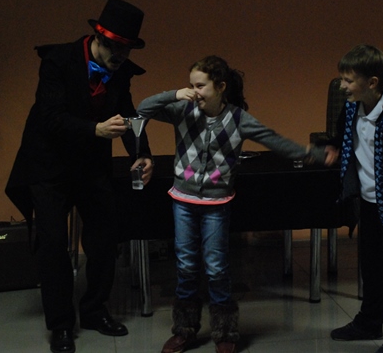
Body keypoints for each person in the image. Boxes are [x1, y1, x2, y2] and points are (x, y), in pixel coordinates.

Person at [136, 55, 327, 353]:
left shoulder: (238, 119)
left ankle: (225, 332)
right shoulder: (182, 109)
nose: (194, 91)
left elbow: (273, 140)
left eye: (200, 86)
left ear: (221, 87)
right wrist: (175, 94)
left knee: (216, 268)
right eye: (191, 85)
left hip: (216, 203)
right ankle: (184, 330)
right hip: (183, 201)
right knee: (186, 265)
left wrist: (310, 153)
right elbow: (143, 109)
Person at [5, 0, 153, 353]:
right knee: (53, 243)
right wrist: (94, 130)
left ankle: (94, 310)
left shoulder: (120, 70)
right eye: (115, 48)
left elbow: (128, 113)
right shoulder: (57, 61)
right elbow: (50, 118)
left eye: (127, 49)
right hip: (49, 165)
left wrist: (142, 153)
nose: (120, 56)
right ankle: (60, 324)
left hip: (90, 166)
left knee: (104, 237)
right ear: (98, 37)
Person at [327, 45, 383, 353]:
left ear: (372, 82)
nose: (342, 86)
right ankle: (369, 322)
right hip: (368, 204)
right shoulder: (352, 109)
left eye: (348, 80)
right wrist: (333, 147)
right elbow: (341, 134)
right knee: (372, 268)